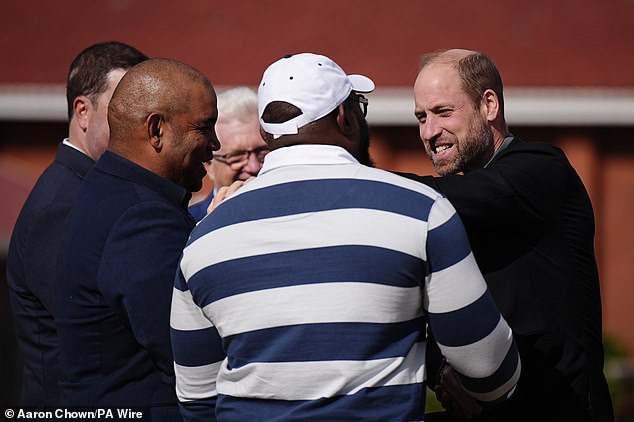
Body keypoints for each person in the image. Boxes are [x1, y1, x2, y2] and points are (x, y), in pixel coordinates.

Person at [170, 52, 520, 421]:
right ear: (345, 118)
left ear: (265, 134)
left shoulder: (204, 237)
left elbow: (197, 398)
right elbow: (489, 370)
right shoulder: (421, 211)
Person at [403, 48, 614, 421]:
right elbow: (423, 312)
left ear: (488, 105)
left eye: (442, 112)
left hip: (562, 409)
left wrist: (353, 182)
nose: (429, 132)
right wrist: (443, 372)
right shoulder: (457, 204)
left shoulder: (541, 170)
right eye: (421, 117)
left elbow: (444, 197)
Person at [55, 58, 219, 419]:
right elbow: (185, 351)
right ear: (156, 129)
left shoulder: (108, 188)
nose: (215, 144)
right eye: (205, 128)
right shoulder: (141, 218)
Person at [5, 41, 148, 408]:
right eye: (122, 110)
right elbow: (95, 331)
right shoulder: (62, 206)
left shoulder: (98, 191)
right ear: (82, 112)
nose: (141, 124)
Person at [189, 87, 269, 221]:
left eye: (262, 151)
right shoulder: (190, 224)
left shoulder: (295, 212)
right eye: (237, 157)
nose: (254, 167)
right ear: (209, 165)